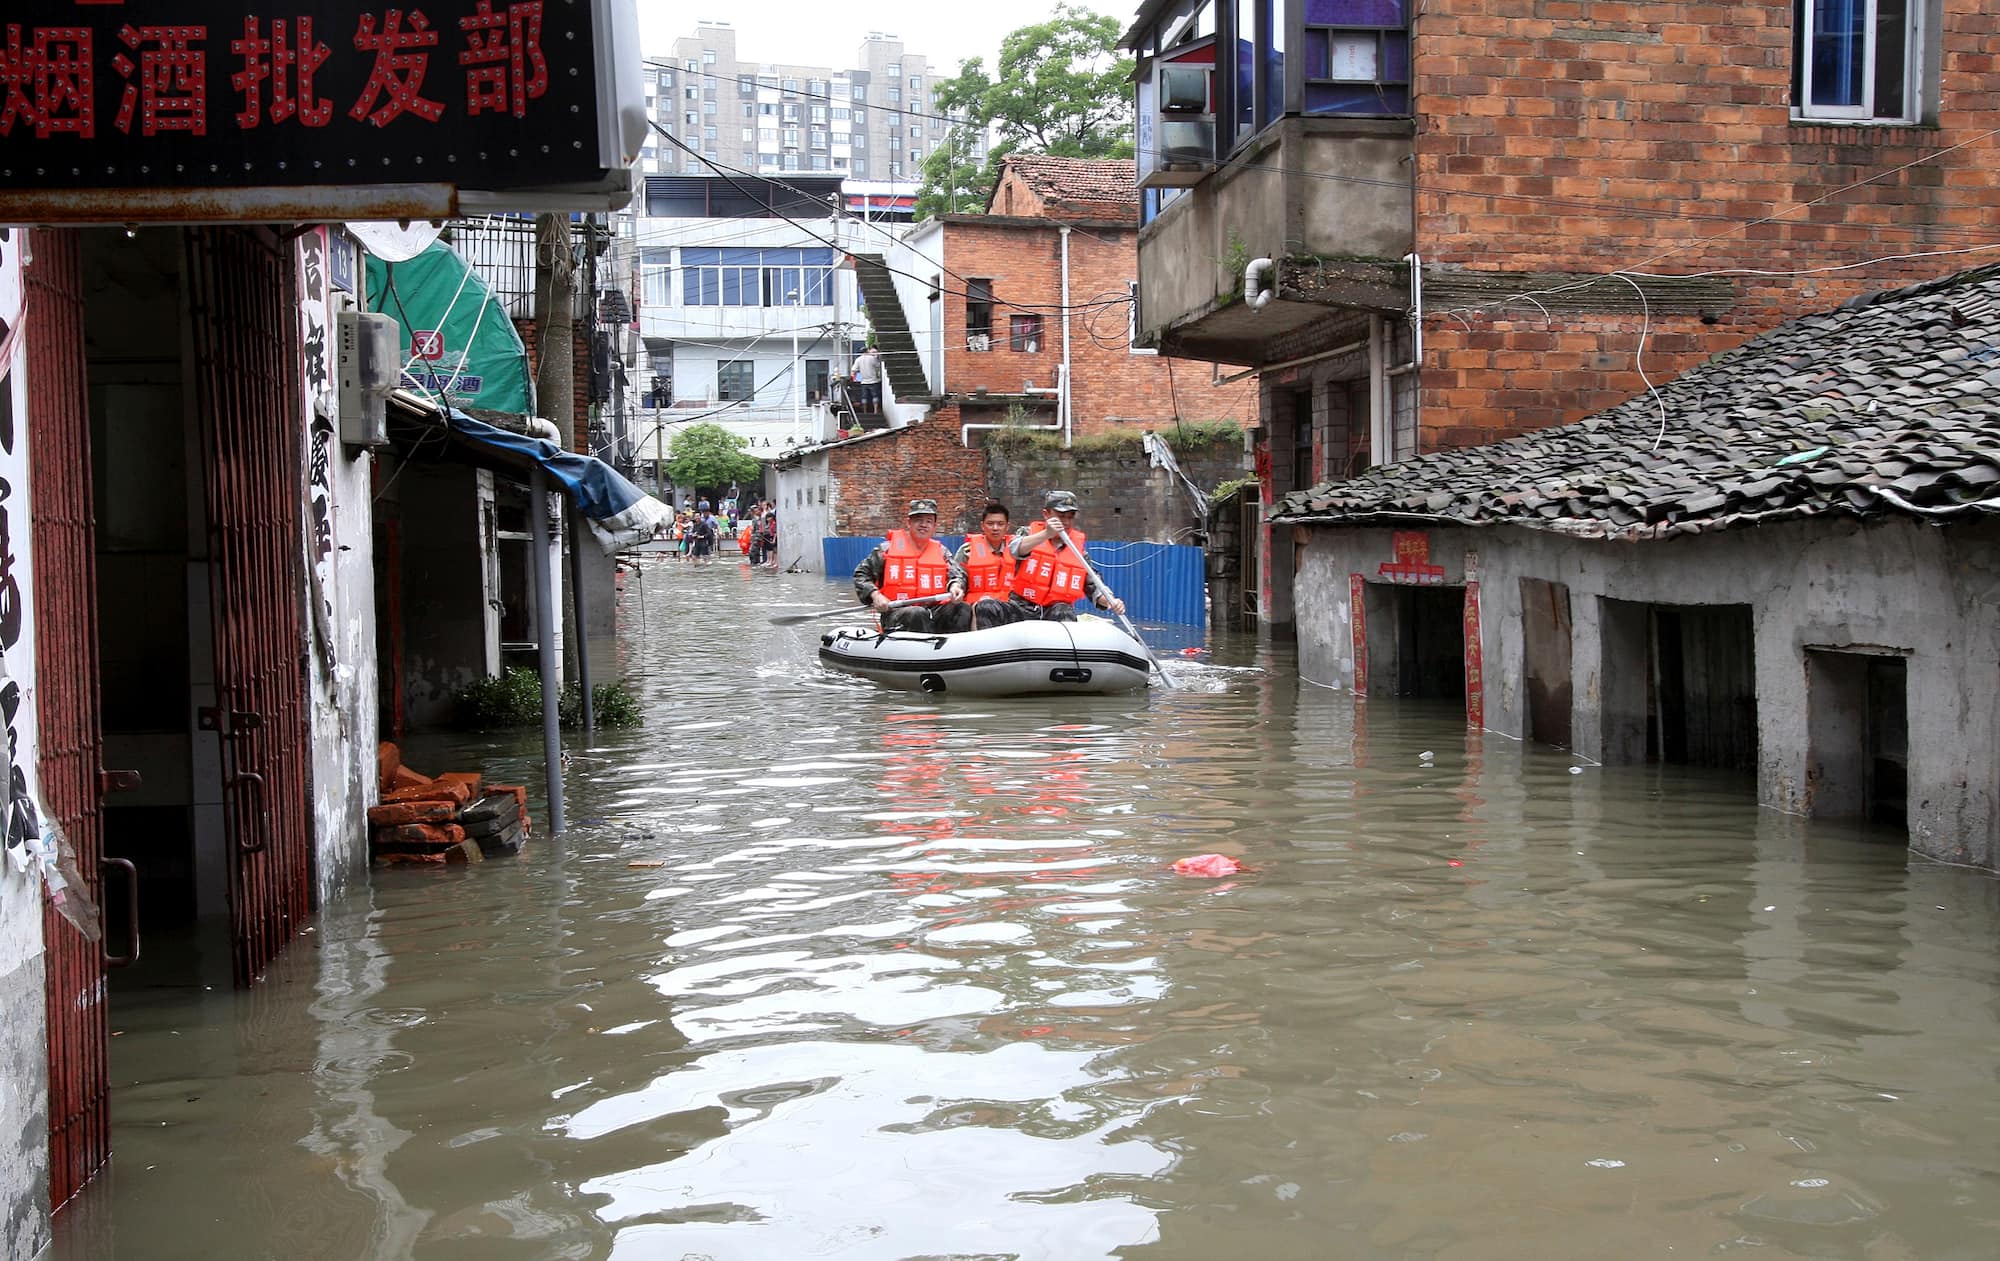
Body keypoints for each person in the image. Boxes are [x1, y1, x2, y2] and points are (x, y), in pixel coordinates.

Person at [1007, 490, 1126, 622]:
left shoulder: (1077, 550)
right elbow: (1014, 549)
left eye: (1070, 517)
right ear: (1046, 514)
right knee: (988, 607)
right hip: (1021, 608)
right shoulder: (1028, 533)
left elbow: (1094, 585)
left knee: (1064, 610)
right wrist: (1047, 534)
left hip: (1054, 611)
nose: (1066, 522)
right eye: (1061, 516)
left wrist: (1111, 601)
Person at [853, 498, 965, 632]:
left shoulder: (942, 552)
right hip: (898, 612)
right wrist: (875, 595)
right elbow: (861, 574)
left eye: (929, 521)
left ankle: (954, 649)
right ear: (909, 523)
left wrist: (955, 586)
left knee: (962, 608)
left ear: (935, 526)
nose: (924, 525)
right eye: (918, 520)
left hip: (933, 610)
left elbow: (957, 575)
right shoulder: (886, 549)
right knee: (917, 613)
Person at [950, 501, 1020, 632]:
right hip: (976, 607)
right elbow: (958, 575)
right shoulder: (967, 551)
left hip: (1008, 606)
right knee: (981, 608)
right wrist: (957, 587)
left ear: (1007, 527)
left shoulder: (1016, 550)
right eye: (990, 523)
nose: (995, 528)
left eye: (1000, 524)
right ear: (982, 526)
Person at [852, 345, 882, 416]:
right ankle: (875, 411)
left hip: (864, 381)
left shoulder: (858, 359)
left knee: (864, 397)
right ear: (867, 351)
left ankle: (865, 412)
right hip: (874, 380)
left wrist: (856, 378)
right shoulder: (872, 358)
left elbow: (854, 370)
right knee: (875, 396)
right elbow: (878, 365)